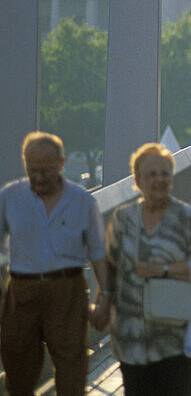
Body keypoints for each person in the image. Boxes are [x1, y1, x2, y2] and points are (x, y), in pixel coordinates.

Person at [0, 132, 110, 396]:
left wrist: (105, 298)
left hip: (67, 289)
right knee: (17, 369)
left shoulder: (82, 200)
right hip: (21, 290)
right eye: (32, 169)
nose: (38, 177)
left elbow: (98, 253)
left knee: (73, 366)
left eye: (45, 170)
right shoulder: (10, 197)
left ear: (60, 164)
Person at [105, 144, 191, 396]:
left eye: (164, 173)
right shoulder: (123, 219)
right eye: (151, 174)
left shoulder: (186, 218)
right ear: (137, 180)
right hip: (131, 338)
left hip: (179, 339)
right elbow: (110, 266)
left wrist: (162, 269)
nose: (158, 180)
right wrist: (103, 304)